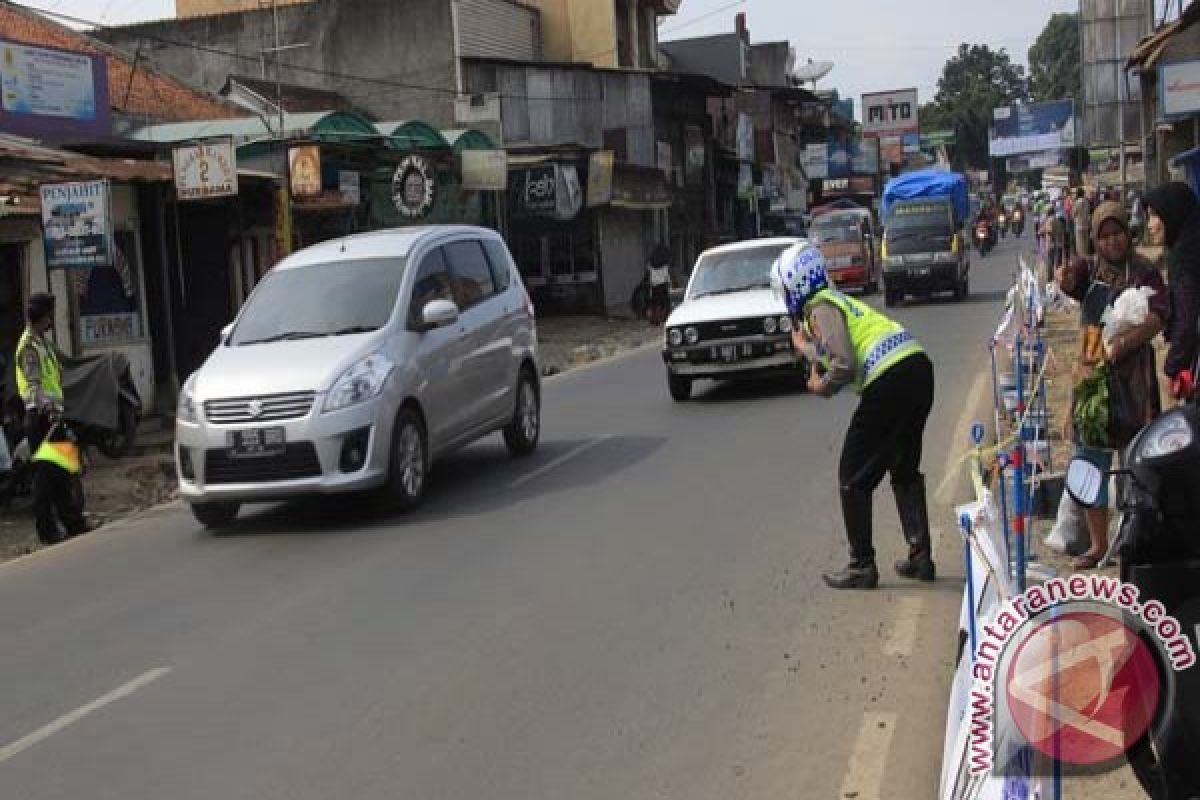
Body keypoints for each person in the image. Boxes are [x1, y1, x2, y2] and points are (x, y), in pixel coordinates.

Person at [771, 243, 936, 590]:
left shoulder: (820, 306)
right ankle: (920, 557)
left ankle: (862, 564)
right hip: (916, 368)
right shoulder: (838, 301)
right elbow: (837, 348)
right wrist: (807, 349)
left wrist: (821, 387)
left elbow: (844, 362)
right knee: (903, 468)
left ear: (794, 285)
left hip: (888, 381)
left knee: (852, 475)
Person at [1055, 202, 1166, 569]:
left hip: (1134, 376)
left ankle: (1133, 539)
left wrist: (1125, 343)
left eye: (1117, 233)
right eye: (1104, 236)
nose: (1113, 242)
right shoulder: (1088, 270)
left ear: (1128, 234)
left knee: (1136, 459)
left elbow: (1158, 316)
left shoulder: (1145, 271)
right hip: (1092, 372)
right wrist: (1065, 274)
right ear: (1095, 239)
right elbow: (1070, 286)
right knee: (1090, 460)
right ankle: (1098, 544)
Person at [15, 292, 88, 545]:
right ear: (42, 316)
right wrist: (49, 408)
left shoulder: (42, 342)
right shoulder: (29, 348)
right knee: (45, 479)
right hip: (41, 419)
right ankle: (47, 532)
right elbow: (34, 386)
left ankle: (74, 524)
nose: (51, 319)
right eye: (49, 314)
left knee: (64, 472)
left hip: (55, 418)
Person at [1145, 182, 1200, 401]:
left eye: (1154, 216)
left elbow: (1186, 321)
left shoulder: (1183, 258)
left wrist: (1171, 367)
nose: (1149, 225)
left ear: (1173, 214)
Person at [645, 243, 672, 327]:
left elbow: (648, 272)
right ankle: (663, 318)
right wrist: (670, 284)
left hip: (654, 286)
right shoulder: (665, 264)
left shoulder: (650, 263)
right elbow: (667, 276)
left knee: (655, 304)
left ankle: (654, 320)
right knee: (664, 304)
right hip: (663, 286)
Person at [1073, 187, 1092, 258]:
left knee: (1080, 245)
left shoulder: (1077, 202)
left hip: (1079, 225)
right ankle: (1087, 259)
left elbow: (1073, 214)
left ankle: (1082, 260)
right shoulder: (1087, 201)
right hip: (1086, 224)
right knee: (1086, 244)